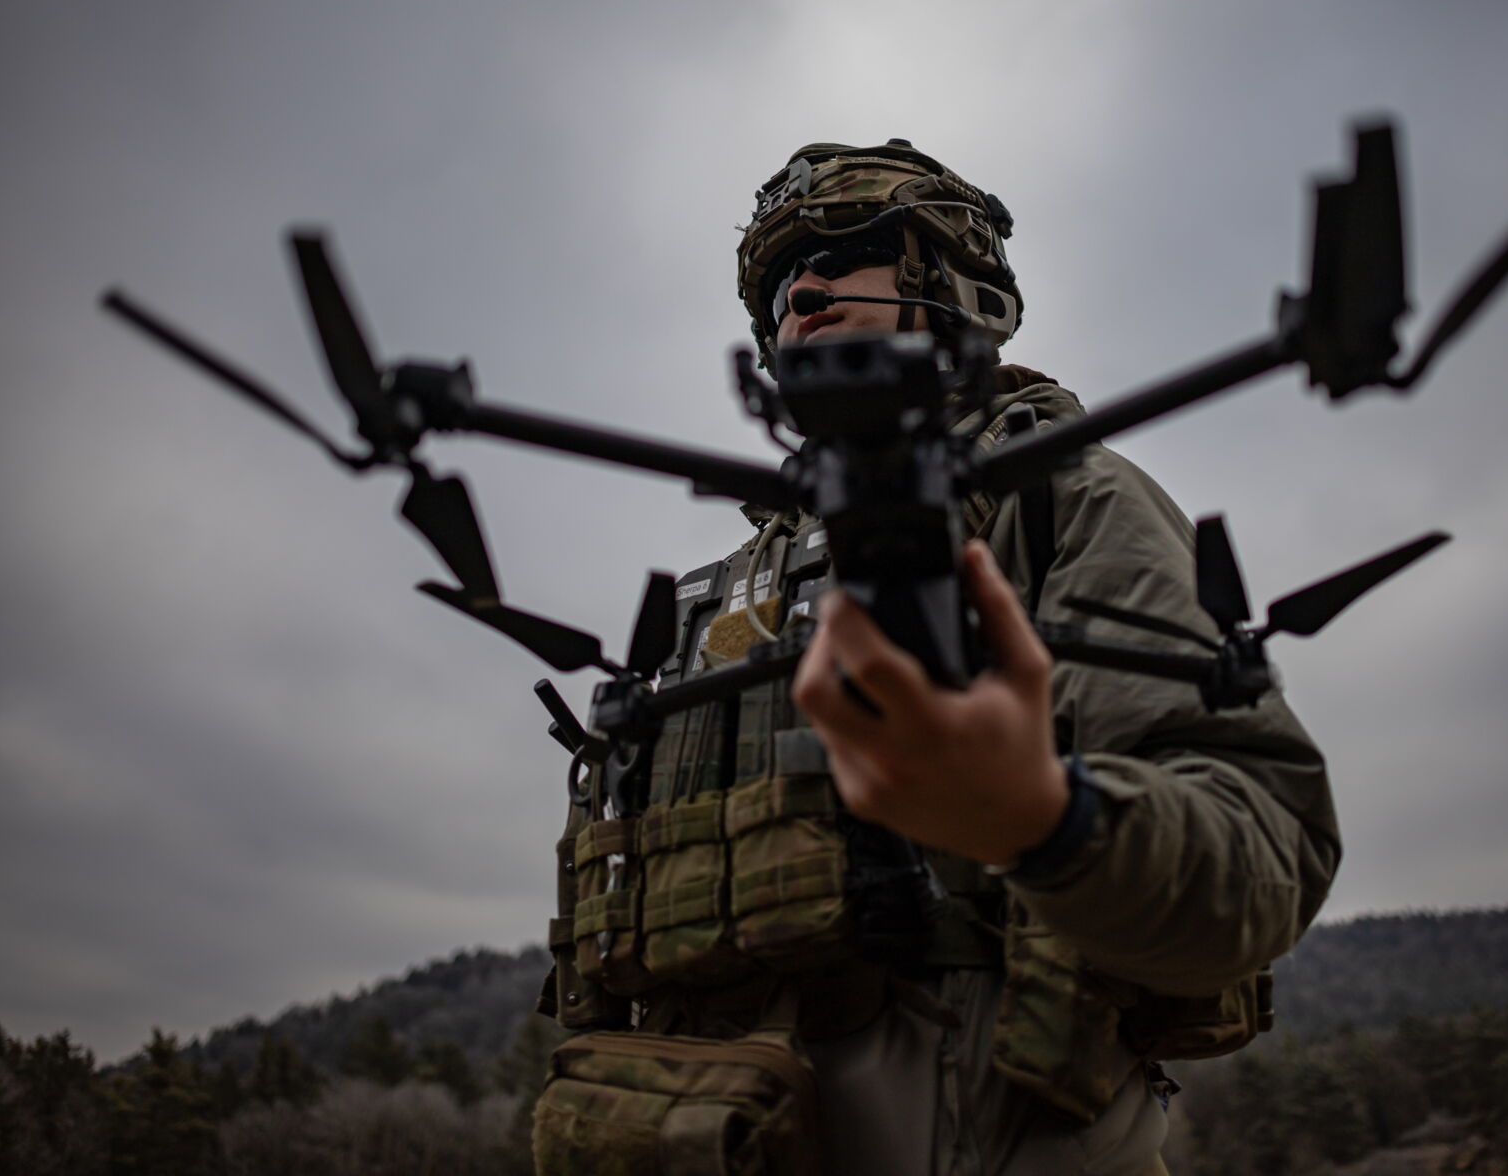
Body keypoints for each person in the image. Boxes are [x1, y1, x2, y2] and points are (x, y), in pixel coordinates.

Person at [533, 140, 1340, 1176]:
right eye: (777, 285)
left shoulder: (1064, 503)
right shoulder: (724, 588)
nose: (803, 291)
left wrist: (1046, 818)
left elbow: (1260, 858)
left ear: (956, 282)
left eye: (846, 251)